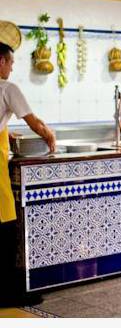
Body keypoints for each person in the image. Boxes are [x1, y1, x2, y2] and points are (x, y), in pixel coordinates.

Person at [0, 21, 55, 307]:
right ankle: (8, 293)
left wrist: (6, 133)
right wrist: (49, 135)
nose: (12, 68)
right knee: (5, 225)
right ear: (1, 61)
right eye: (11, 63)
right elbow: (33, 121)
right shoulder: (7, 87)